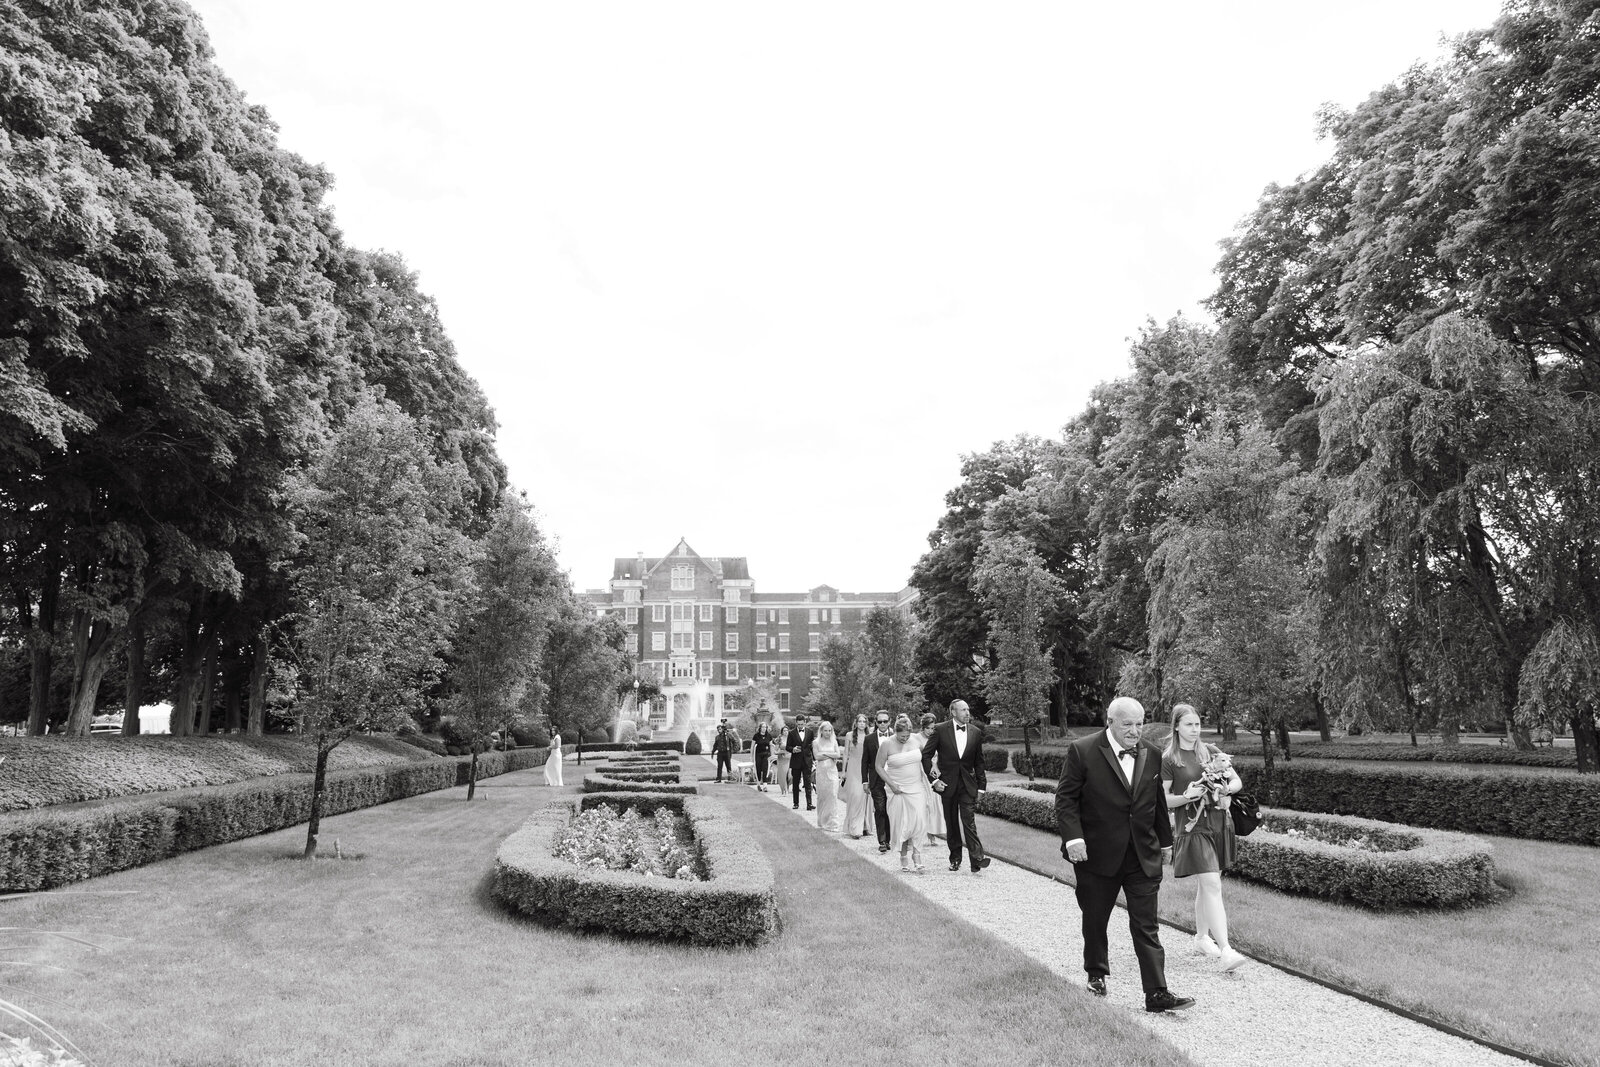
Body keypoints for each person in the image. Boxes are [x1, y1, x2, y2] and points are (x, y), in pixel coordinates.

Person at [1056, 696, 1194, 1014]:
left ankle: (1156, 992)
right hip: (1096, 854)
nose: (1135, 731)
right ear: (1111, 721)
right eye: (1128, 724)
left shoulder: (1153, 753)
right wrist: (1074, 839)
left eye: (1139, 723)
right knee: (1095, 918)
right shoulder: (1083, 750)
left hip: (1141, 854)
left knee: (1146, 924)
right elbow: (1065, 800)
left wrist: (1165, 842)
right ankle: (1096, 973)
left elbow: (1155, 802)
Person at [1162, 703, 1246, 973]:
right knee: (1211, 882)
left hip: (1218, 823)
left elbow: (1236, 781)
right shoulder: (1168, 760)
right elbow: (1162, 799)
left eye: (1197, 724)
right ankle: (1226, 950)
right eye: (1188, 724)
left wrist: (1224, 788)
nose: (1195, 729)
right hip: (1191, 827)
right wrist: (1186, 796)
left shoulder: (1211, 751)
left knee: (1207, 882)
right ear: (1176, 726)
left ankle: (1200, 938)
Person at [922, 700, 990, 873]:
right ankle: (955, 858)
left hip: (968, 785)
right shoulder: (940, 729)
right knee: (951, 823)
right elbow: (926, 756)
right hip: (947, 785)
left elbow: (979, 762)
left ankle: (977, 860)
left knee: (969, 821)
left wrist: (982, 787)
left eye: (968, 709)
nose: (967, 713)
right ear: (953, 712)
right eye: (963, 710)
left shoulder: (975, 732)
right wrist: (934, 781)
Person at [875, 713, 928, 872]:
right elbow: (878, 766)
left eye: (907, 736)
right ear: (895, 732)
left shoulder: (917, 740)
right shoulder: (887, 744)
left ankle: (917, 855)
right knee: (902, 823)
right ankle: (903, 855)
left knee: (918, 821)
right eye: (901, 736)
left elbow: (926, 758)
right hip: (896, 789)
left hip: (916, 787)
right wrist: (891, 785)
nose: (905, 739)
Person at [861, 711, 894, 852]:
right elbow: (864, 761)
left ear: (890, 721)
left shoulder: (895, 737)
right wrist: (864, 781)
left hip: (893, 779)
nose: (882, 724)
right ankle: (882, 840)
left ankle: (890, 839)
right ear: (875, 721)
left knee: (891, 810)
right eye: (879, 721)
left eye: (885, 721)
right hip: (876, 779)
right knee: (880, 809)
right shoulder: (869, 739)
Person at [812, 721, 844, 831]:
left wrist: (824, 754)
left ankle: (833, 823)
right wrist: (830, 755)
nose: (828, 732)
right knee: (822, 796)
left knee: (833, 795)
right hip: (821, 773)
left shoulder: (833, 741)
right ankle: (822, 821)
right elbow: (817, 756)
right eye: (825, 730)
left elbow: (838, 755)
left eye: (830, 730)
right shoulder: (816, 742)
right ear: (821, 731)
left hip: (832, 772)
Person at [842, 713, 870, 837]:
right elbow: (845, 754)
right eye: (860, 721)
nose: (862, 724)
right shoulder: (849, 735)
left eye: (864, 721)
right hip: (853, 768)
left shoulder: (869, 736)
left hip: (865, 769)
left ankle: (864, 826)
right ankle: (854, 828)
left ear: (866, 723)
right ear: (856, 723)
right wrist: (843, 772)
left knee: (864, 798)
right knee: (855, 797)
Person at [786, 713, 816, 810]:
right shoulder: (791, 733)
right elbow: (787, 747)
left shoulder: (810, 732)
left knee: (808, 783)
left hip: (807, 761)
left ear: (805, 723)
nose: (800, 726)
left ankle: (809, 804)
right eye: (798, 724)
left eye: (801, 724)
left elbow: (812, 747)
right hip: (796, 761)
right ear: (796, 723)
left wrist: (814, 760)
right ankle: (796, 803)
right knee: (795, 783)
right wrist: (793, 749)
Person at [751, 720, 774, 792]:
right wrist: (751, 756)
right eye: (763, 727)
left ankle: (765, 786)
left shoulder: (769, 736)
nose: (764, 728)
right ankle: (758, 784)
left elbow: (771, 745)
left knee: (765, 769)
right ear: (760, 728)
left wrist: (772, 755)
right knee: (758, 769)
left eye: (765, 727)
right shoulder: (756, 736)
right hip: (758, 754)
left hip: (766, 754)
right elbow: (752, 747)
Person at [711, 719, 738, 783]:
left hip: (727, 753)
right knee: (719, 766)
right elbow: (715, 746)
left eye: (720, 729)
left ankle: (730, 777)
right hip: (720, 753)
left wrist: (734, 749)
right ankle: (718, 779)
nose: (719, 730)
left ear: (722, 729)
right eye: (718, 729)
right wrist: (712, 752)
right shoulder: (717, 737)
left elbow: (734, 741)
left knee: (728, 766)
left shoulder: (728, 735)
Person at [772, 717, 792, 796]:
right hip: (781, 759)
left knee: (790, 775)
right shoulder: (779, 739)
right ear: (782, 732)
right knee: (782, 775)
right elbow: (775, 750)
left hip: (789, 758)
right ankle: (784, 790)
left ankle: (787, 788)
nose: (785, 732)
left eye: (787, 730)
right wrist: (780, 752)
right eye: (784, 731)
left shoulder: (791, 739)